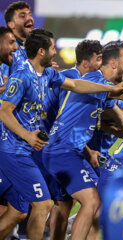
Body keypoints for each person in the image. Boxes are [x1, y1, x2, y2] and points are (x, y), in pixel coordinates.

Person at [0, 28, 123, 240]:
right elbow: (4, 112)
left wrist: (110, 90)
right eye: (52, 47)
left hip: (30, 151)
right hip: (13, 151)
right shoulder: (21, 77)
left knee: (21, 210)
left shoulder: (49, 74)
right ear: (42, 51)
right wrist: (27, 135)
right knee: (43, 205)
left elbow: (77, 84)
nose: (56, 51)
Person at [41, 39, 123, 239]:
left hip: (71, 152)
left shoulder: (106, 87)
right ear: (114, 63)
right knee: (91, 201)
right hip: (63, 151)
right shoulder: (95, 80)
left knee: (88, 202)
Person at [0, 26, 30, 239]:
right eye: (11, 42)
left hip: (5, 151)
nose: (15, 47)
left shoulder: (6, 70)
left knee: (19, 209)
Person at [3, 1, 34, 77]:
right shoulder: (6, 50)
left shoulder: (34, 48)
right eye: (23, 16)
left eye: (30, 15)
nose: (29, 18)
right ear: (11, 24)